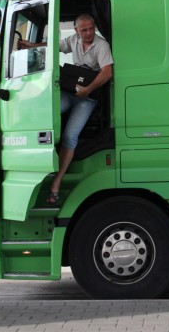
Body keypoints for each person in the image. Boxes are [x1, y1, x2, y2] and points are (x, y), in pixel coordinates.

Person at [47, 14, 113, 204]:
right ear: (76, 30)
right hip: (70, 92)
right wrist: (32, 47)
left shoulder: (101, 45)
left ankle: (56, 183)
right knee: (46, 118)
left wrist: (88, 90)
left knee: (70, 136)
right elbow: (54, 46)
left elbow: (108, 72)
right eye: (84, 30)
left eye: (92, 28)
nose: (89, 32)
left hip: (87, 98)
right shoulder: (73, 40)